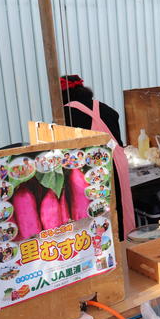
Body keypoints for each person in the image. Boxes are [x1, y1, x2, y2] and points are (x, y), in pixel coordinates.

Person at [60, 75, 135, 239]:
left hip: (93, 169)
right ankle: (124, 239)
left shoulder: (65, 113)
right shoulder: (106, 109)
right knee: (120, 206)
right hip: (117, 161)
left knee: (98, 211)